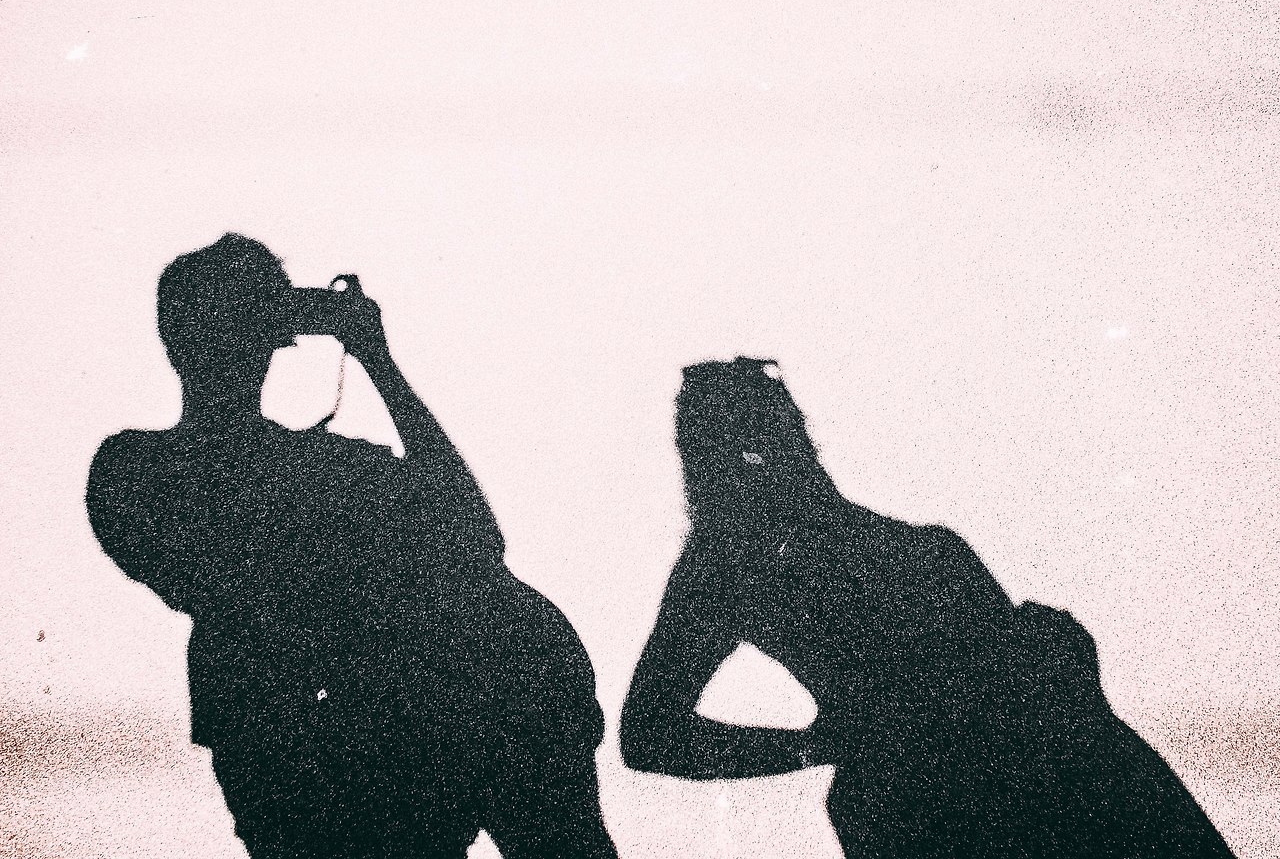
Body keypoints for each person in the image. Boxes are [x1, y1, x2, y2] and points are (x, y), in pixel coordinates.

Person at [86, 233, 617, 859]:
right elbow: (471, 536)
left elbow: (474, 535)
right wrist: (373, 358)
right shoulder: (140, 469)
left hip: (396, 719)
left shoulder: (158, 470)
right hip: (342, 734)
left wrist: (376, 359)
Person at [621, 356, 1235, 858]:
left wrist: (822, 744)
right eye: (758, 437)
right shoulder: (735, 564)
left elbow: (650, 735)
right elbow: (648, 734)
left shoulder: (746, 565)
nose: (771, 451)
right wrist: (817, 745)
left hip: (1028, 789)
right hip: (994, 798)